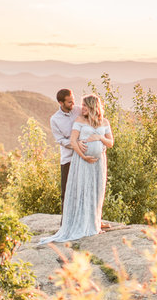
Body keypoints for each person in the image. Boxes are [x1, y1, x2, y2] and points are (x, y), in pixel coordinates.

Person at [41, 94, 114, 243]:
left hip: (98, 164)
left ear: (92, 106)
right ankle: (73, 222)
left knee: (96, 191)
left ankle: (95, 221)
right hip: (80, 161)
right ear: (61, 102)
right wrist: (84, 155)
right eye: (81, 105)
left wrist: (99, 138)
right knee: (78, 191)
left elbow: (110, 143)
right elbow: (72, 141)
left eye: (84, 106)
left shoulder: (104, 122)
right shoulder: (76, 120)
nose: (81, 108)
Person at [50, 88, 81, 219]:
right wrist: (75, 143)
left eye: (73, 101)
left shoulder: (79, 110)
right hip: (68, 159)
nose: (72, 104)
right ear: (61, 103)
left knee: (82, 190)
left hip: (83, 157)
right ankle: (66, 221)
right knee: (66, 192)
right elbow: (60, 140)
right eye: (69, 102)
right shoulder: (55, 119)